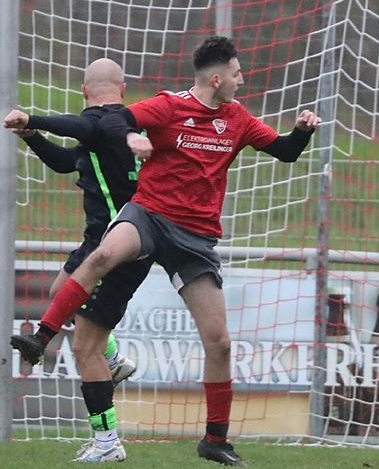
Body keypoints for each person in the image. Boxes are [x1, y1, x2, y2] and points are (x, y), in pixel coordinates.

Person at [10, 36, 319, 466]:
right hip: (149, 215)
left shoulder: (239, 119)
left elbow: (284, 153)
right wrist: (134, 137)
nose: (241, 79)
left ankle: (215, 440)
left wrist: (300, 133)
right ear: (217, 77)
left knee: (221, 343)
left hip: (195, 238)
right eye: (236, 72)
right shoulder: (169, 105)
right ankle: (41, 338)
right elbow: (115, 122)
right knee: (98, 257)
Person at [5, 59, 150, 464]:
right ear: (122, 87)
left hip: (117, 248)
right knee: (59, 294)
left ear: (85, 92)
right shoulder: (107, 132)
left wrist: (32, 116)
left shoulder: (106, 122)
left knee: (86, 346)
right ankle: (115, 358)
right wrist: (32, 135)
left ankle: (107, 443)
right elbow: (65, 161)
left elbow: (80, 127)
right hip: (96, 242)